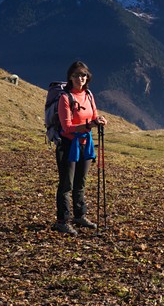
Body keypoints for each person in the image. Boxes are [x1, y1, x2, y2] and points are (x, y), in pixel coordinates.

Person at [52, 61, 108, 235]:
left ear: (87, 77)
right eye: (76, 75)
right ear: (70, 77)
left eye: (83, 75)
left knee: (80, 183)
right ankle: (62, 220)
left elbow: (93, 115)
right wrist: (89, 125)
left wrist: (98, 120)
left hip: (85, 144)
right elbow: (67, 127)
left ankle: (79, 215)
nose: (80, 78)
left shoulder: (89, 95)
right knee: (66, 184)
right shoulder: (65, 98)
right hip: (68, 145)